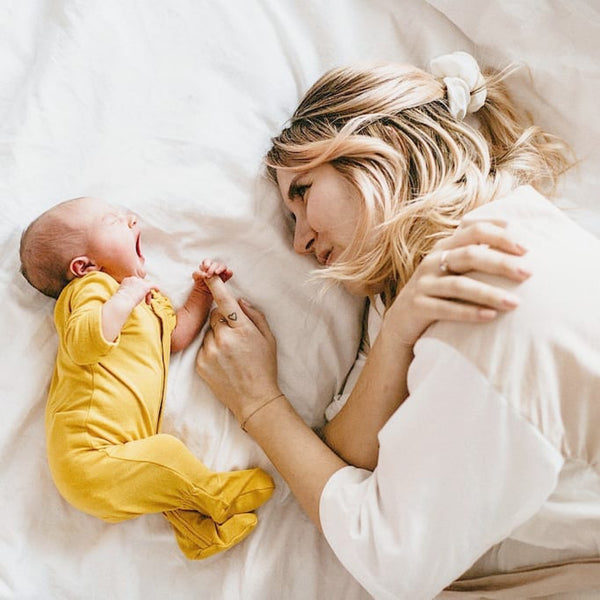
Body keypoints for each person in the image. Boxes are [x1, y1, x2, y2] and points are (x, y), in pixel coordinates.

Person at [195, 51, 600, 598]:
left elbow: (388, 559)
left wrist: (256, 404)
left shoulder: (492, 299)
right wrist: (396, 339)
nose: (299, 242)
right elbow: (345, 454)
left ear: (384, 150)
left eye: (303, 193)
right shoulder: (413, 286)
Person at [19, 196, 274, 560]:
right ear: (84, 266)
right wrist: (123, 297)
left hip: (120, 457)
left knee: (158, 472)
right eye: (113, 221)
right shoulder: (93, 290)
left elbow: (176, 338)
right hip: (89, 459)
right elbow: (83, 343)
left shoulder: (148, 303)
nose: (131, 220)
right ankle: (216, 495)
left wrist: (201, 292)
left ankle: (197, 534)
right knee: (165, 454)